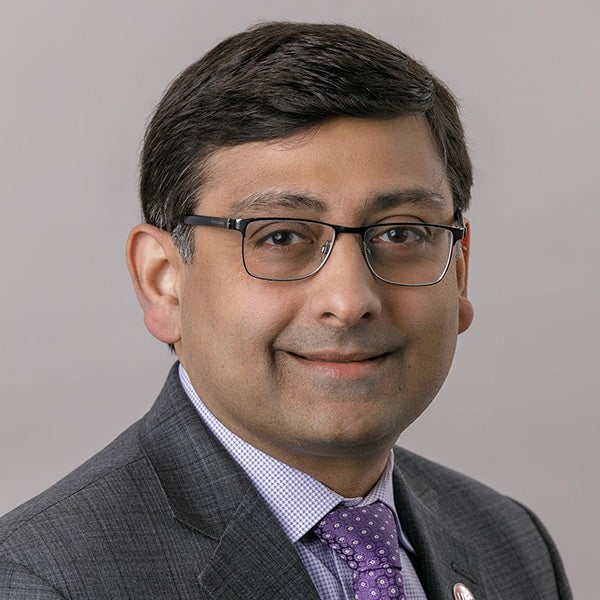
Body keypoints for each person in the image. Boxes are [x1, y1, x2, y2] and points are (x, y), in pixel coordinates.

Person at [0, 22, 571, 600]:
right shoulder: (45, 581)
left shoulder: (511, 543)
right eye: (279, 237)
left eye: (401, 232)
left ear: (460, 269)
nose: (349, 303)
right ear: (163, 283)